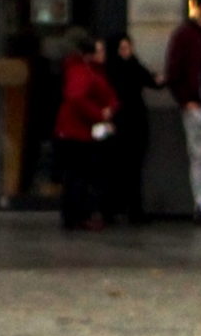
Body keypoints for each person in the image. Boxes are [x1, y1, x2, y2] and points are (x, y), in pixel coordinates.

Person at [165, 0, 201, 223]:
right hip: (197, 103)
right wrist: (185, 99)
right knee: (200, 155)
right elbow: (174, 69)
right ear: (200, 8)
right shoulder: (185, 35)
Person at [53, 36, 118, 230]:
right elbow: (77, 99)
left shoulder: (86, 70)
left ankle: (77, 214)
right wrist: (100, 114)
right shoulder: (81, 72)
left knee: (78, 174)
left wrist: (108, 108)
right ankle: (77, 215)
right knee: (78, 174)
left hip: (81, 129)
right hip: (78, 131)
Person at [102, 34, 163, 223]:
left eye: (128, 48)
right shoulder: (113, 70)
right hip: (120, 121)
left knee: (133, 168)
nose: (127, 52)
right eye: (122, 49)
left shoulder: (133, 66)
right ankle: (113, 209)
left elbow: (153, 82)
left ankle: (132, 209)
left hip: (134, 122)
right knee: (116, 167)